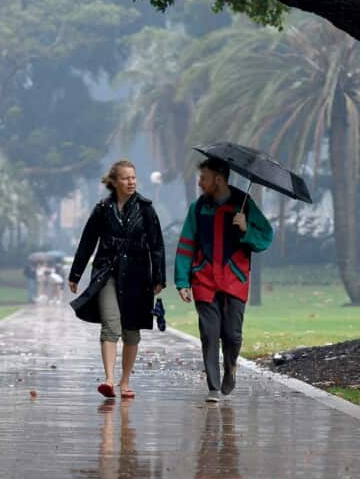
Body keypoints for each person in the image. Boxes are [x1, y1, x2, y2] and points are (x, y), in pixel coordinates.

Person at [174, 157, 273, 403]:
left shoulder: (244, 204)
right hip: (204, 279)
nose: (199, 183)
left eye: (203, 178)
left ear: (218, 179)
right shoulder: (198, 208)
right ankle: (213, 387)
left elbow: (266, 237)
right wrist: (183, 281)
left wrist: (245, 228)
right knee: (209, 333)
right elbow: (186, 244)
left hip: (234, 280)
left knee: (232, 334)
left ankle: (231, 367)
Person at [68, 160, 166, 399]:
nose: (131, 182)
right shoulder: (102, 209)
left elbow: (157, 245)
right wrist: (76, 274)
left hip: (138, 274)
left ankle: (125, 381)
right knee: (111, 324)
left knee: (131, 330)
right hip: (107, 272)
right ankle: (109, 379)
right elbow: (87, 242)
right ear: (114, 182)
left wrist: (159, 277)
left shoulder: (146, 209)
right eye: (125, 178)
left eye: (133, 177)